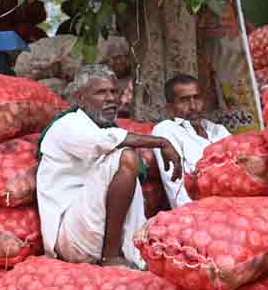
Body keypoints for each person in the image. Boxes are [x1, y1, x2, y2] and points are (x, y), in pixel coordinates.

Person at [37, 65, 183, 268]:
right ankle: (111, 256)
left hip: (94, 229)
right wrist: (162, 143)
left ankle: (131, 250)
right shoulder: (68, 125)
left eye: (114, 92)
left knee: (127, 160)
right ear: (80, 98)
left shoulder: (105, 128)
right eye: (101, 92)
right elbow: (103, 141)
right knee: (126, 157)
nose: (111, 99)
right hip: (72, 237)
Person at [150, 74, 230, 208]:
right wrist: (194, 215)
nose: (193, 106)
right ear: (170, 107)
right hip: (202, 211)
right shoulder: (166, 130)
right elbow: (176, 187)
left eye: (197, 98)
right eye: (184, 100)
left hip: (235, 203)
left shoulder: (218, 130)